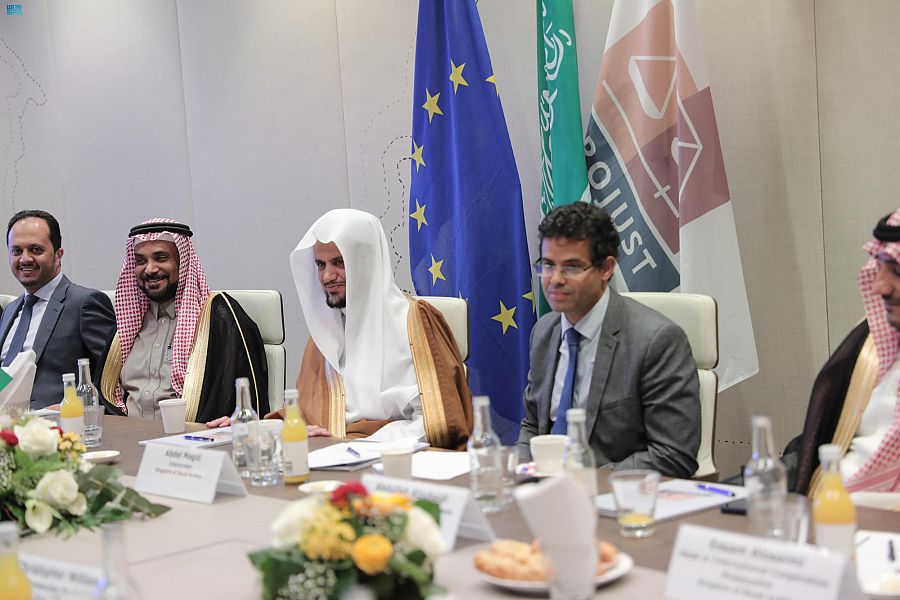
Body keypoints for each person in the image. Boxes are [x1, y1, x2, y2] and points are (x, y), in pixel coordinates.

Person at [516, 202, 700, 478]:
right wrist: (519, 472)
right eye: (548, 265)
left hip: (616, 493)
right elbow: (532, 426)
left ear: (606, 268)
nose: (555, 279)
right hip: (546, 490)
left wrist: (582, 478)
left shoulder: (657, 341)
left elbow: (673, 455)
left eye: (572, 267)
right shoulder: (544, 331)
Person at [274, 208, 472, 450]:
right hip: (328, 456)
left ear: (365, 261)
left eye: (339, 262)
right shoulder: (324, 333)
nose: (327, 276)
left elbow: (440, 420)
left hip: (397, 458)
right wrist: (269, 427)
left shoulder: (415, 323)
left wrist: (358, 446)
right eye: (320, 264)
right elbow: (307, 411)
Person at [99, 219, 269, 423]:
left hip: (193, 437)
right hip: (128, 435)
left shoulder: (218, 315)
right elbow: (106, 397)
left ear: (183, 262)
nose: (150, 269)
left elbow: (241, 395)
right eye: (141, 261)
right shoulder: (126, 325)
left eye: (161, 258)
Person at [789, 210, 900, 498]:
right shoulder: (872, 344)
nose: (880, 286)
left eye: (897, 271)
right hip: (828, 502)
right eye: (880, 267)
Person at [0, 210, 116, 408]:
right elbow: (7, 371)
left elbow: (112, 380)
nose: (25, 259)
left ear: (58, 255)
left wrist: (74, 406)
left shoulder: (85, 304)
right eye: (16, 251)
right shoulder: (10, 309)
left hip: (55, 420)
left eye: (36, 250)